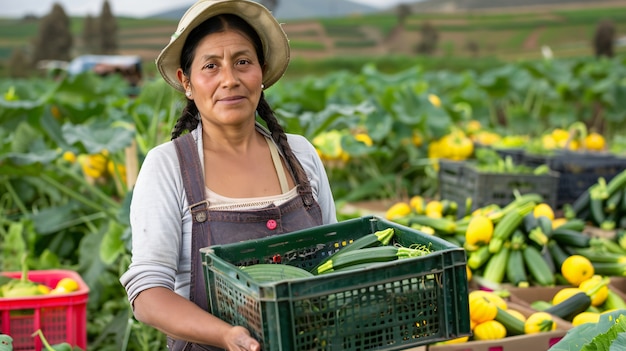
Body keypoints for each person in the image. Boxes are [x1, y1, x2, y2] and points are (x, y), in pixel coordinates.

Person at [119, 1, 337, 350]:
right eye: (211, 66)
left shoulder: (300, 156)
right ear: (186, 82)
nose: (230, 79)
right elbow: (148, 293)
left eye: (242, 62)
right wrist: (226, 335)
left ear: (261, 72)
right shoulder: (168, 166)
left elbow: (331, 258)